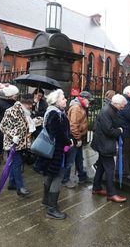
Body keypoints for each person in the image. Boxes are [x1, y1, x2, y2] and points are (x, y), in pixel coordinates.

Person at [41, 89, 74, 219]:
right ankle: (52, 208)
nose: (66, 100)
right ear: (56, 101)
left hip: (56, 151)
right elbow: (58, 133)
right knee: (57, 176)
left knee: (51, 175)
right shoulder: (55, 114)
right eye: (63, 98)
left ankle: (46, 200)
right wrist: (69, 141)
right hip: (57, 153)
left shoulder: (56, 112)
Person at [91, 94, 127, 203]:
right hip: (104, 145)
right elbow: (109, 130)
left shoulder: (110, 110)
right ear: (116, 104)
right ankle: (111, 194)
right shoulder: (106, 111)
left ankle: (96, 188)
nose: (123, 108)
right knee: (110, 169)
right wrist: (120, 131)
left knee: (101, 166)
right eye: (122, 106)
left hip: (103, 144)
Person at [1, 93, 35, 196]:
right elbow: (2, 126)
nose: (31, 106)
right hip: (13, 143)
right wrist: (12, 136)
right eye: (29, 104)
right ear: (23, 103)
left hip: (21, 143)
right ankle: (20, 187)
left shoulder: (26, 112)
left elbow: (24, 126)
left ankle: (12, 183)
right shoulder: (11, 111)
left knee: (15, 163)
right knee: (17, 163)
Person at [63, 91, 92, 188]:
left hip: (77, 137)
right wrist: (78, 139)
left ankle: (82, 176)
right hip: (74, 138)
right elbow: (73, 125)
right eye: (88, 100)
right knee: (70, 160)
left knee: (79, 158)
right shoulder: (76, 108)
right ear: (83, 98)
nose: (89, 102)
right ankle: (65, 180)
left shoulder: (79, 106)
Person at [118, 86, 130, 181]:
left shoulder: (127, 101)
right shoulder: (126, 102)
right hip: (126, 132)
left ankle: (121, 171)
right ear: (128, 93)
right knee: (127, 153)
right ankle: (125, 173)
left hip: (126, 131)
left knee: (125, 153)